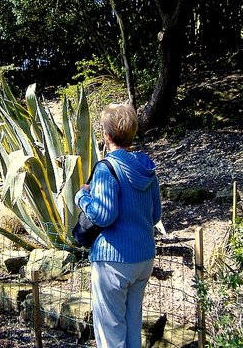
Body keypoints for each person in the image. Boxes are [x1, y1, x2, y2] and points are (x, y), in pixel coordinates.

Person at [74, 103, 162, 348]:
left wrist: (82, 197)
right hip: (143, 259)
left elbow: (103, 216)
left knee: (110, 332)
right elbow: (155, 216)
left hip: (113, 260)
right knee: (132, 325)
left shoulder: (106, 168)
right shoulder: (147, 168)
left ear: (106, 135)